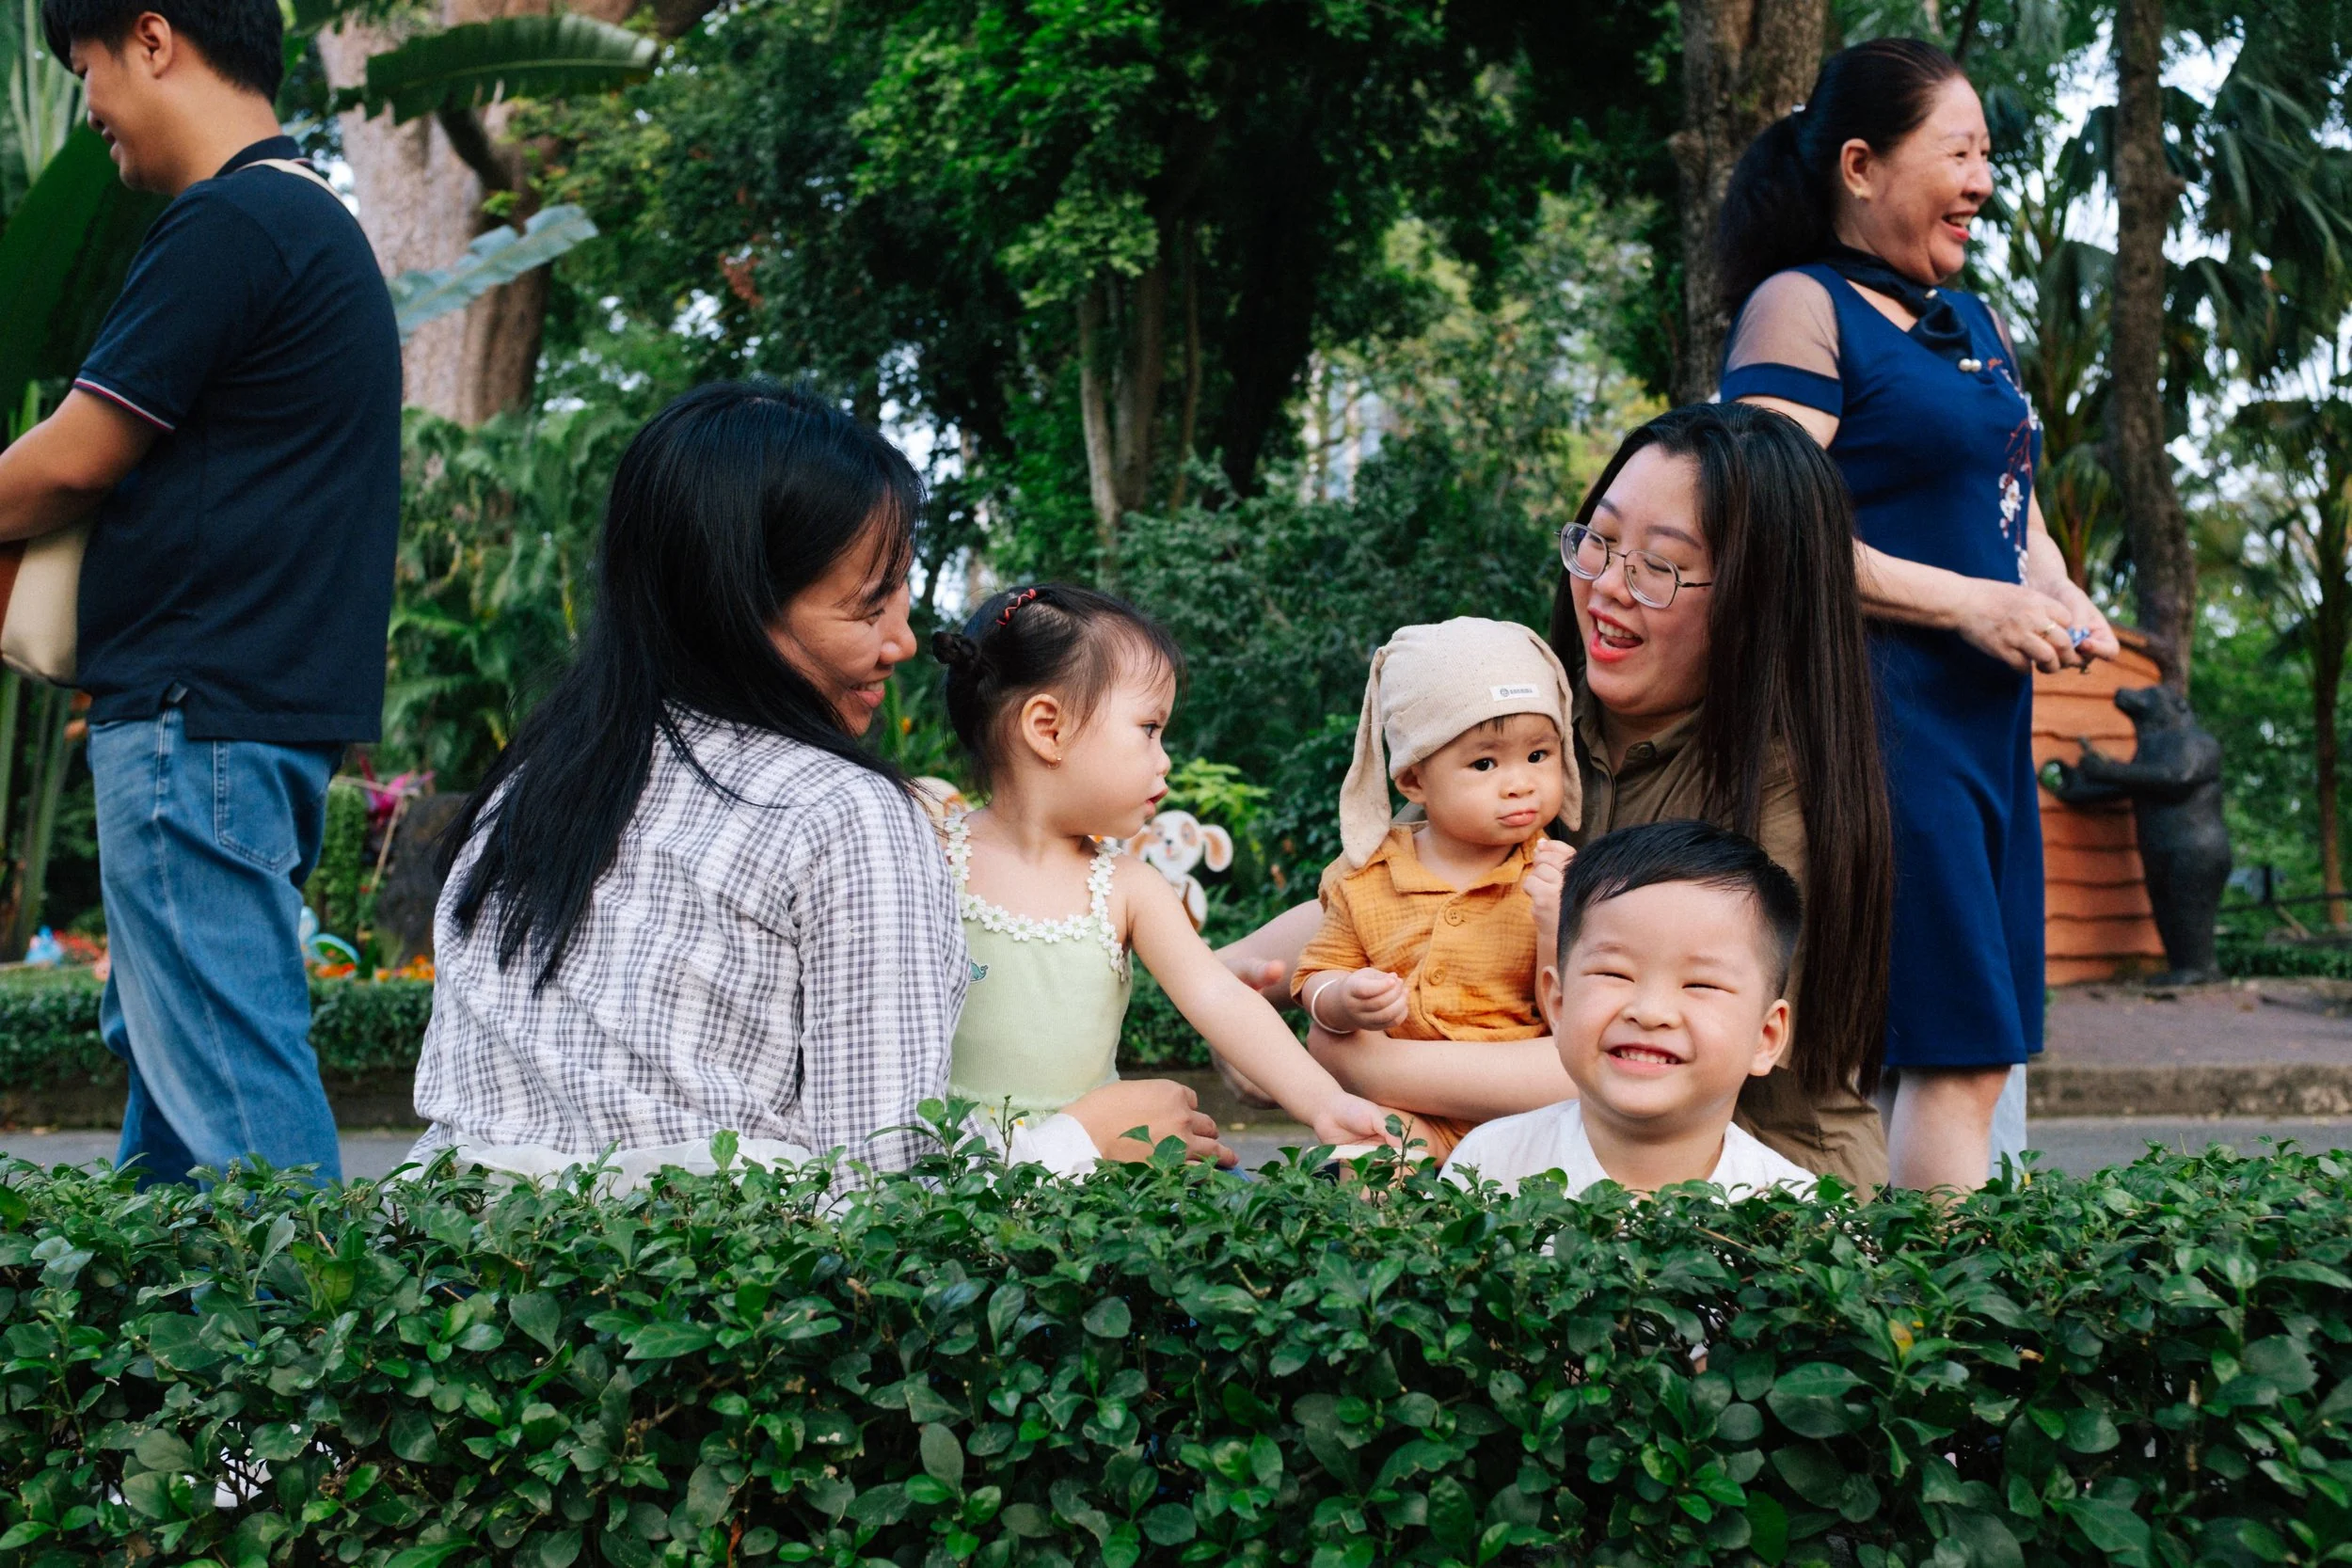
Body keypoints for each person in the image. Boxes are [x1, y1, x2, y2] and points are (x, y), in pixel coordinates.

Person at [411, 384, 1231, 1186]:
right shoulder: (844, 814)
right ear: (736, 607)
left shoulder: (526, 789)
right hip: (714, 1300)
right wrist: (1081, 1140)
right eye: (869, 608)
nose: (904, 642)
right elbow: (881, 1190)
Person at [1221, 404, 1895, 1189]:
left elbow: (1620, 1057)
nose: (1608, 586)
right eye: (1599, 543)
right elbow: (1400, 886)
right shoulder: (1537, 726)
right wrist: (1234, 984)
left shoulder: (1784, 799)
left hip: (1733, 1216)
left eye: (1658, 566)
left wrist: (1343, 1057)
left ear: (1758, 598)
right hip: (1536, 1177)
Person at [0, 0, 401, 1184]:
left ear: (154, 38)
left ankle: (323, 1362)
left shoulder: (232, 219)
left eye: (87, 71)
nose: (91, 113)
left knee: (230, 1094)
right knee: (181, 1091)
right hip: (245, 720)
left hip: (194, 721)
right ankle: (161, 1360)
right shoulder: (313, 223)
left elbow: (76, 454)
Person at [1715, 39, 2118, 1191]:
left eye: (1988, 151)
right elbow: (1774, 527)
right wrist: (1970, 606)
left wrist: (2052, 589)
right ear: (1858, 164)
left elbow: (2007, 503)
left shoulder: (1968, 321)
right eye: (1959, 149)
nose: (1984, 177)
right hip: (1885, 730)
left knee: (1982, 1050)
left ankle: (1941, 1317)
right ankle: (1936, 1338)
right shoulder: (1799, 308)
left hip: (1987, 731)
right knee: (1955, 1051)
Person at [932, 584, 1395, 1151]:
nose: (1165, 758)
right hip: (958, 1170)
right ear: (1048, 729)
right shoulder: (929, 860)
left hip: (1103, 1162)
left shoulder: (1128, 887)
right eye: (1149, 729)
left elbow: (1219, 997)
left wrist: (1326, 1104)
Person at [1291, 617, 1578, 1159]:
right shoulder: (1367, 877)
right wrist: (1343, 1001)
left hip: (1525, 1112)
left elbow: (1567, 1013)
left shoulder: (1558, 876)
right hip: (1409, 1112)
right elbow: (1315, 973)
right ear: (1414, 781)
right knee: (1371, 1150)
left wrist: (1556, 925)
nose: (1520, 782)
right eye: (1485, 763)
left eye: (1539, 755)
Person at [1442, 820, 1816, 1199]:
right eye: (1615, 973)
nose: (1650, 1012)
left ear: (1766, 1038)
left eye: (1700, 984)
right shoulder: (1490, 1165)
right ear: (1558, 1003)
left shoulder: (1800, 1217)